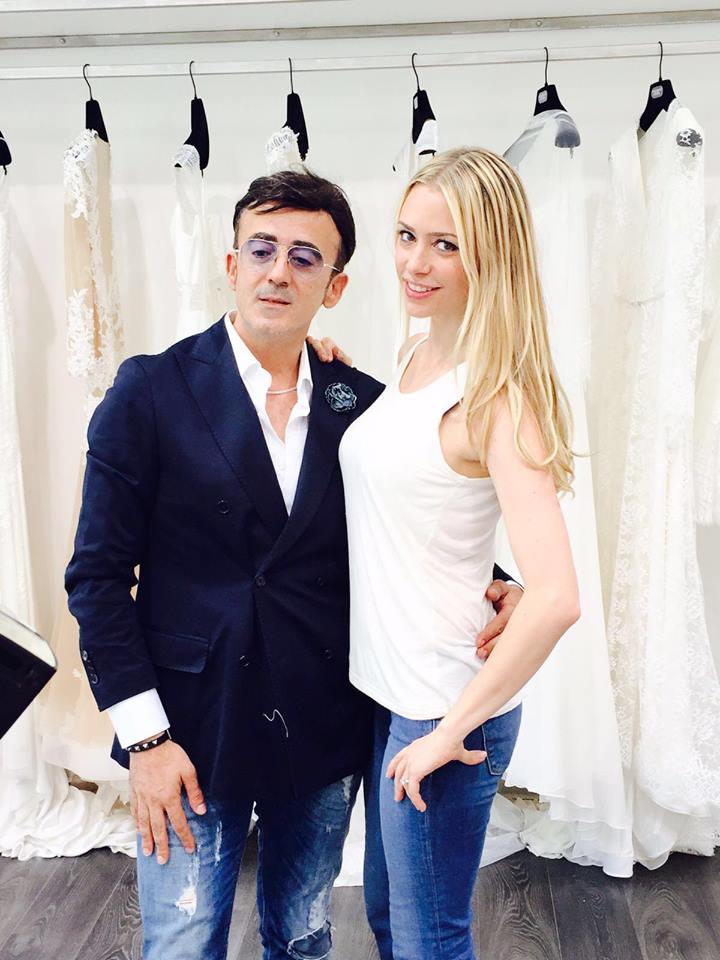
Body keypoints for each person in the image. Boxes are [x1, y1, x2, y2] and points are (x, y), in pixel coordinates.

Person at [64, 168, 523, 960]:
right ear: (231, 263)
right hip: (187, 731)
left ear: (335, 286)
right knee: (181, 943)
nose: (279, 271)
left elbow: (414, 512)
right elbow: (97, 578)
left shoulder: (362, 403)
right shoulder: (150, 390)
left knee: (303, 936)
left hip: (318, 725)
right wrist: (144, 741)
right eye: (262, 249)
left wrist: (497, 578)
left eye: (305, 258)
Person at [339, 147, 580, 960]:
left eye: (445, 245)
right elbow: (418, 503)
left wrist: (450, 731)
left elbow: (559, 597)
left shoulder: (498, 398)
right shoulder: (413, 357)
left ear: (489, 257)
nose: (415, 262)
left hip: (441, 705)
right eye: (408, 235)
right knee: (386, 917)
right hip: (386, 689)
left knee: (429, 941)